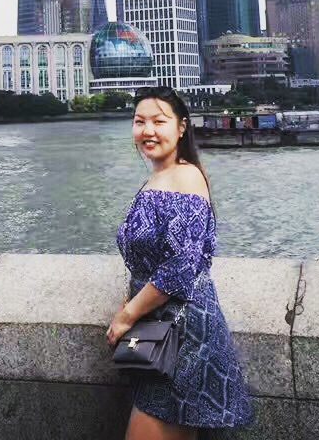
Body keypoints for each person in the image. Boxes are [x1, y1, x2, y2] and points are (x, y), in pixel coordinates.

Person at [108, 86, 255, 439]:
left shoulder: (185, 177)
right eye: (139, 121)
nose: (148, 131)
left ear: (182, 127)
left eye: (159, 121)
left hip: (183, 335)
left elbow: (179, 268)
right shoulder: (157, 178)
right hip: (161, 329)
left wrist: (126, 316)